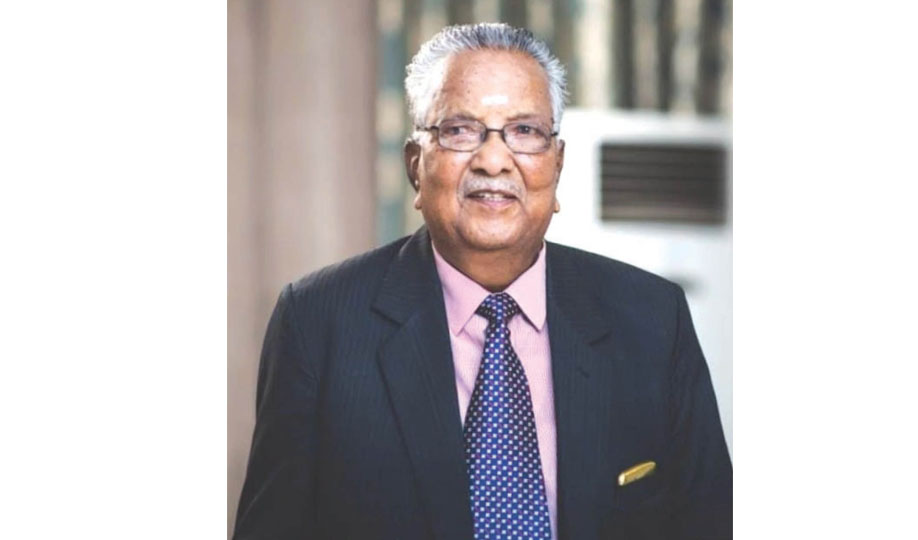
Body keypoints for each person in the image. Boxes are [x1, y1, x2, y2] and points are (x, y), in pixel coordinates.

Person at [233, 23, 731, 540]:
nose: (493, 161)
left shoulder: (653, 319)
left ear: (557, 166)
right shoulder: (318, 322)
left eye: (525, 131)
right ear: (415, 167)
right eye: (460, 130)